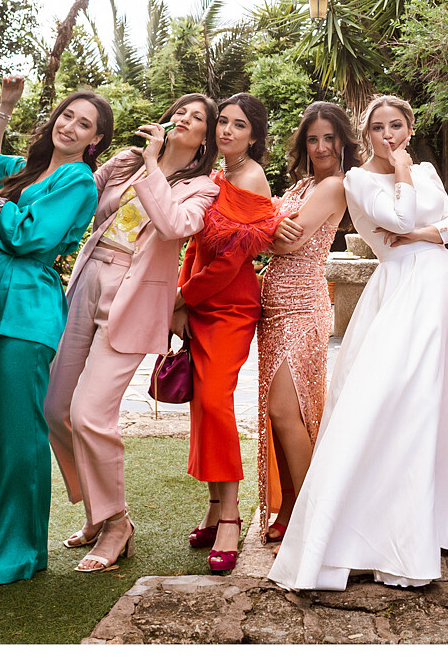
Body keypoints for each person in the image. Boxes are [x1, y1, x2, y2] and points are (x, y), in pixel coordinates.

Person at [269, 94, 448, 589]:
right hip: (400, 292)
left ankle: (441, 520)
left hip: (444, 292)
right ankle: (376, 529)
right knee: (392, 400)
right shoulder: (358, 180)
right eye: (379, 128)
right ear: (365, 133)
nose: (389, 136)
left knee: (443, 403)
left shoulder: (429, 170)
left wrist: (423, 234)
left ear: (409, 128)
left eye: (397, 126)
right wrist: (405, 177)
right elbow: (395, 219)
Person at [44, 94, 220, 574]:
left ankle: (118, 523)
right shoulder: (125, 163)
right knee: (55, 408)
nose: (184, 118)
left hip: (136, 298)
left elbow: (173, 225)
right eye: (181, 110)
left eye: (197, 118)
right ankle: (96, 513)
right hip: (87, 280)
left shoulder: (203, 187)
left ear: (206, 138)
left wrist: (153, 166)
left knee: (89, 413)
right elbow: (75, 193)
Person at [0, 76, 113, 584]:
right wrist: (4, 105)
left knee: (23, 429)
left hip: (27, 308)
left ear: (95, 140)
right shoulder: (25, 171)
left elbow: (31, 237)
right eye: (67, 115)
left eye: (84, 124)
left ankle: (18, 553)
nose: (70, 125)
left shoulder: (78, 181)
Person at [174, 93, 293, 573]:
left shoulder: (252, 178)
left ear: (254, 135)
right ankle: (212, 506)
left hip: (229, 304)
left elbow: (231, 261)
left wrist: (185, 297)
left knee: (217, 403)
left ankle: (231, 516)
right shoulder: (214, 176)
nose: (225, 130)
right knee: (203, 404)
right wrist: (178, 296)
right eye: (221, 122)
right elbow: (194, 244)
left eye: (237, 125)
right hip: (197, 300)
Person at [255, 102, 357, 546]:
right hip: (272, 307)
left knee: (285, 410)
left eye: (329, 138)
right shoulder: (300, 184)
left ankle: (315, 513)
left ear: (343, 142)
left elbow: (281, 239)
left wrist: (264, 227)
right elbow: (273, 233)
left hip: (303, 307)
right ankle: (291, 503)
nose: (320, 147)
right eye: (313, 139)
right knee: (279, 416)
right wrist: (269, 228)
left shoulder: (335, 186)